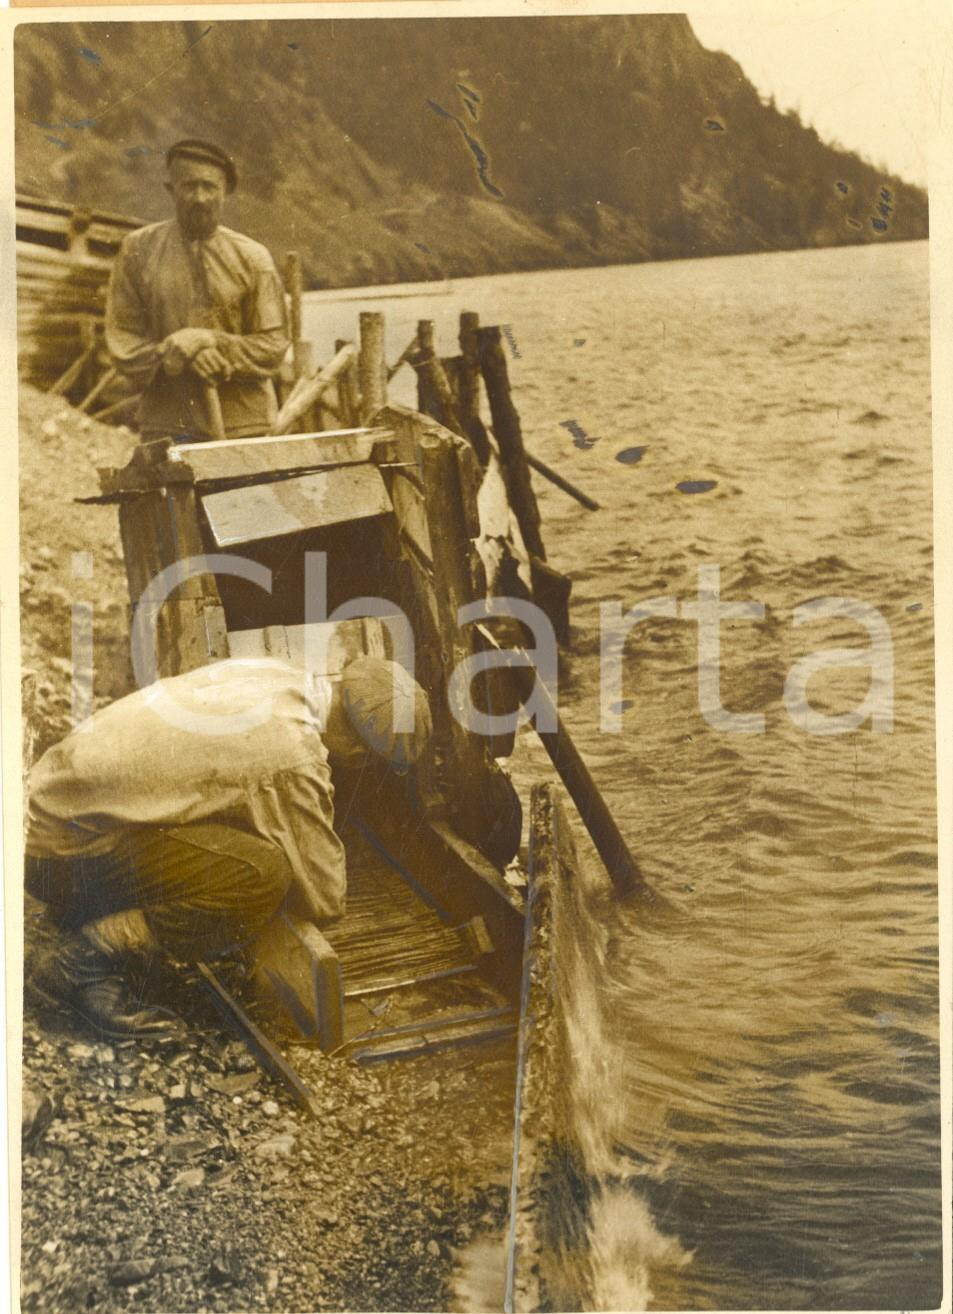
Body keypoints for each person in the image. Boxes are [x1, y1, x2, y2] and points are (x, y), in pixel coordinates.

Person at [25, 656, 432, 1038]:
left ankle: (89, 913)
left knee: (227, 836)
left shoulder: (276, 673)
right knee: (261, 874)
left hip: (41, 802)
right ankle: (83, 963)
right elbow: (326, 895)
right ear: (360, 752)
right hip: (56, 857)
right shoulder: (295, 757)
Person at [105, 138, 290, 442]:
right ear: (171, 188)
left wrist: (209, 342)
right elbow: (121, 342)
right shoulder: (137, 250)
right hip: (166, 427)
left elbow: (273, 347)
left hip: (245, 429)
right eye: (189, 186)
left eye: (209, 187)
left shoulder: (254, 257)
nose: (200, 197)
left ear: (225, 191)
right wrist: (175, 354)